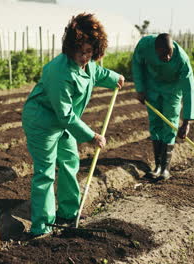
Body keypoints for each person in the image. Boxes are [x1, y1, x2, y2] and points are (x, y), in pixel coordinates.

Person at [22, 13, 125, 237]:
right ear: (70, 47)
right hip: (42, 121)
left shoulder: (88, 64)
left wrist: (115, 78)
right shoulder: (59, 71)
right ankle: (42, 225)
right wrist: (91, 136)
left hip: (62, 122)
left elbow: (99, 73)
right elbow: (66, 115)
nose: (85, 57)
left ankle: (69, 212)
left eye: (89, 52)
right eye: (80, 51)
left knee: (70, 161)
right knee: (46, 172)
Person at [132, 33, 194, 180]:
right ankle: (157, 166)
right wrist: (140, 89)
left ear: (172, 46)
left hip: (172, 89)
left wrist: (186, 122)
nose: (167, 58)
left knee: (170, 122)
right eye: (163, 55)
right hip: (152, 86)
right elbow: (137, 63)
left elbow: (189, 89)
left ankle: (165, 168)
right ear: (155, 49)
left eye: (169, 53)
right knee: (155, 123)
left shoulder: (182, 59)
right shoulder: (144, 45)